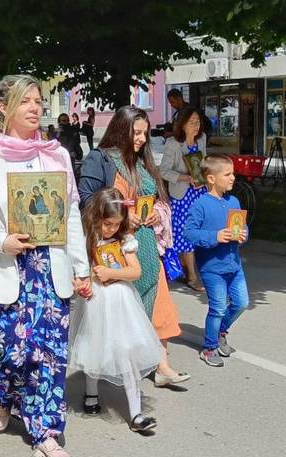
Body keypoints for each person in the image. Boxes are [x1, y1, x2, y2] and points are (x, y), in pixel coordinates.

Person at [0, 74, 90, 457]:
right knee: (11, 352)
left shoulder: (56, 155)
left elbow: (69, 214)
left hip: (49, 269)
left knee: (50, 355)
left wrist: (81, 268)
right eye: (25, 102)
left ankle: (45, 434)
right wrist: (1, 240)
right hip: (9, 266)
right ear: (5, 109)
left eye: (38, 101)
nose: (35, 108)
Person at [78, 105, 191, 387]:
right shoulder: (100, 159)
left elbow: (157, 199)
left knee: (159, 300)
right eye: (136, 132)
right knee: (120, 308)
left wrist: (156, 212)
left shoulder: (143, 164)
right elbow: (85, 198)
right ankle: (112, 370)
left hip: (148, 243)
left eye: (144, 133)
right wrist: (120, 213)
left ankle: (161, 364)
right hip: (115, 244)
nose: (141, 139)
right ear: (120, 130)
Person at [69, 187, 161, 433]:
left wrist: (112, 273)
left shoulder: (124, 241)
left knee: (126, 349)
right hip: (95, 301)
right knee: (94, 343)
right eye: (107, 223)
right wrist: (82, 282)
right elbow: (79, 271)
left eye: (116, 224)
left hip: (121, 300)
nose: (110, 229)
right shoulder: (86, 241)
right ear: (95, 216)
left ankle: (136, 412)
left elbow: (135, 271)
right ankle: (91, 393)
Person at [184, 154, 249, 368]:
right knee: (218, 307)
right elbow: (190, 233)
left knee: (241, 303)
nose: (233, 178)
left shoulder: (234, 201)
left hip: (234, 265)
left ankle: (221, 331)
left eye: (233, 174)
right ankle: (210, 347)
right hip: (212, 268)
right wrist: (215, 236)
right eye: (227, 174)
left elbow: (242, 225)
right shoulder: (201, 204)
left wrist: (243, 234)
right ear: (211, 178)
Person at [160, 105, 208, 292]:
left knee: (199, 230)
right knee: (185, 234)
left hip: (199, 192)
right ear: (183, 125)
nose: (196, 126)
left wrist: (202, 176)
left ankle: (191, 268)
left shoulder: (201, 139)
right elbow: (164, 171)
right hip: (182, 195)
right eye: (192, 122)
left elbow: (203, 162)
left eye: (198, 122)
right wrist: (185, 177)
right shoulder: (173, 143)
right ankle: (192, 276)